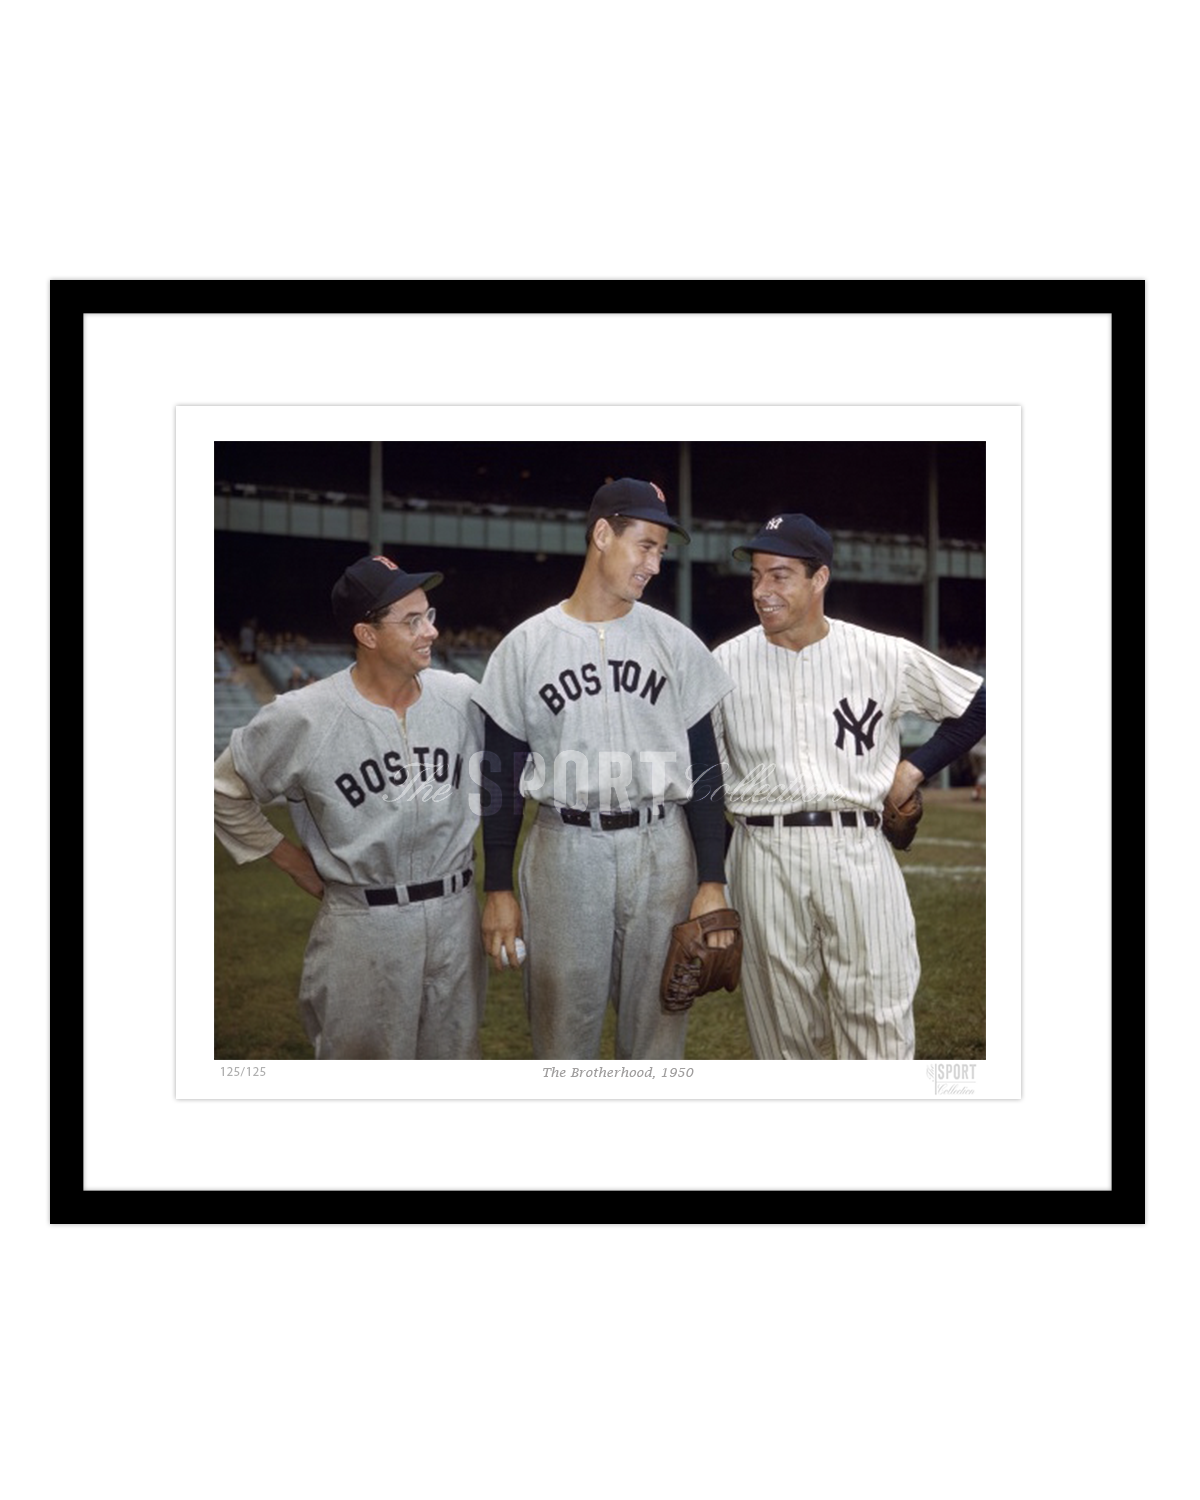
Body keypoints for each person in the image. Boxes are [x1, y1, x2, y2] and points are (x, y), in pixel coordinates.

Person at [473, 478, 735, 1061]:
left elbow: (706, 770)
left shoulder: (676, 643)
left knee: (658, 1039)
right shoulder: (525, 647)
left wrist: (711, 877)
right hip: (566, 849)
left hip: (663, 848)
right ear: (601, 534)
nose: (654, 564)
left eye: (661, 551)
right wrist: (496, 887)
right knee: (563, 1036)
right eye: (645, 545)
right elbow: (499, 781)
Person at [712, 513, 986, 1061]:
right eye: (757, 576)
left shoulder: (881, 653)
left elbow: (977, 703)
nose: (762, 591)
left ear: (820, 579)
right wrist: (709, 877)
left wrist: (914, 769)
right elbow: (701, 780)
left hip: (858, 848)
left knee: (880, 1023)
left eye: (780, 575)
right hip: (762, 855)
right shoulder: (724, 663)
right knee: (785, 1040)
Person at [213, 555, 487, 1059]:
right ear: (367, 634)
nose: (431, 630)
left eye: (429, 614)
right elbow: (221, 789)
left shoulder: (462, 698)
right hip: (363, 925)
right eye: (412, 621)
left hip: (456, 918)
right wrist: (289, 859)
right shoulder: (305, 715)